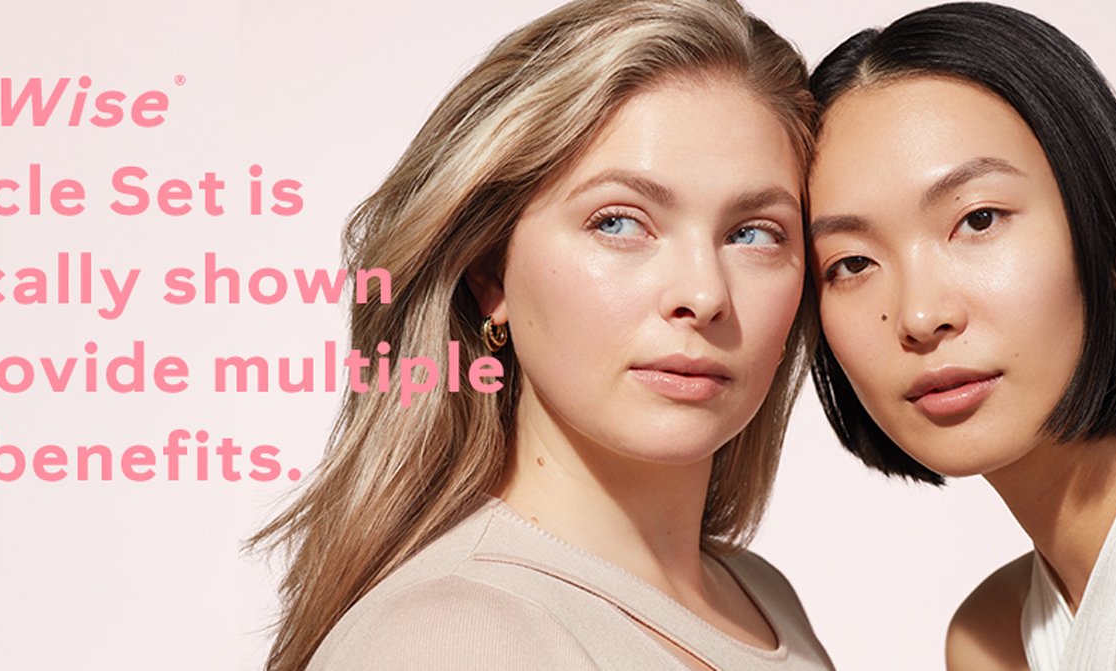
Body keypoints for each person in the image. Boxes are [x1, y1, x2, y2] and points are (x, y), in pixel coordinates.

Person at [247, 0, 835, 669]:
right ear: (489, 271)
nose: (703, 295)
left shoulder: (760, 599)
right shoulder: (450, 638)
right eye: (619, 222)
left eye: (753, 233)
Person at [805, 3, 1116, 669]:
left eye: (978, 219)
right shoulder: (990, 635)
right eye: (852, 263)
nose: (920, 316)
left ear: (1109, 235)